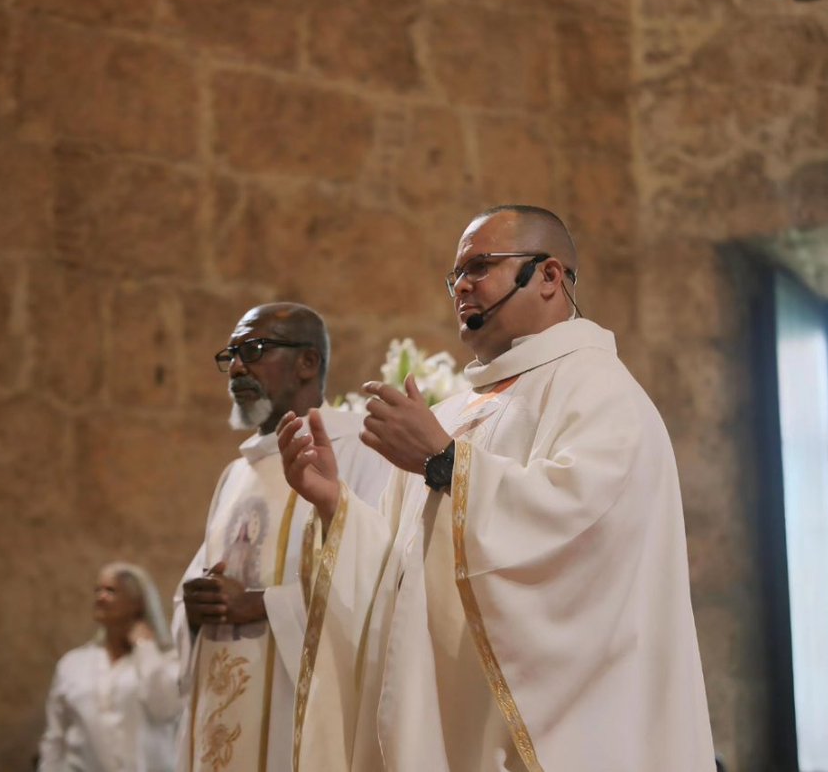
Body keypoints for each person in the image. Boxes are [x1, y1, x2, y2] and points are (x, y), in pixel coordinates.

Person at [278, 206, 716, 771]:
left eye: (481, 266)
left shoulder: (600, 389)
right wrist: (336, 506)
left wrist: (443, 462)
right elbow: (399, 569)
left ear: (550, 276)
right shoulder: (451, 412)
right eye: (455, 274)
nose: (462, 285)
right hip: (445, 729)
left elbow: (585, 533)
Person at [172, 303, 390, 772]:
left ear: (308, 363)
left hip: (300, 721)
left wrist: (263, 604)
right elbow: (192, 590)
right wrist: (192, 609)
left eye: (253, 349)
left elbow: (383, 576)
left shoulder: (359, 450)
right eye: (230, 354)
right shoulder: (236, 475)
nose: (236, 367)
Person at [39, 562, 181, 772]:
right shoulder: (73, 664)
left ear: (137, 603)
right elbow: (55, 736)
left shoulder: (166, 659)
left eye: (111, 591)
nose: (100, 597)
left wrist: (145, 647)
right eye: (98, 590)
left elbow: (164, 709)